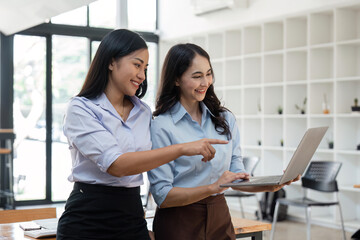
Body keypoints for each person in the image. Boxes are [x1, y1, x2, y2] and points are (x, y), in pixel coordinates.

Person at [56, 30, 232, 240]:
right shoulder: (81, 108)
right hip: (87, 218)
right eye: (137, 65)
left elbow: (153, 166)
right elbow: (117, 165)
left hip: (131, 215)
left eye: (146, 68)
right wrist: (184, 148)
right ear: (112, 62)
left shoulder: (143, 112)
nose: (142, 75)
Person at [148, 43, 300, 240]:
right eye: (197, 76)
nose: (206, 82)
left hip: (219, 215)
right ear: (176, 79)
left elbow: (235, 177)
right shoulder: (162, 125)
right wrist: (213, 187)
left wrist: (270, 185)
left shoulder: (224, 120)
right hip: (179, 220)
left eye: (208, 74)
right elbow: (163, 196)